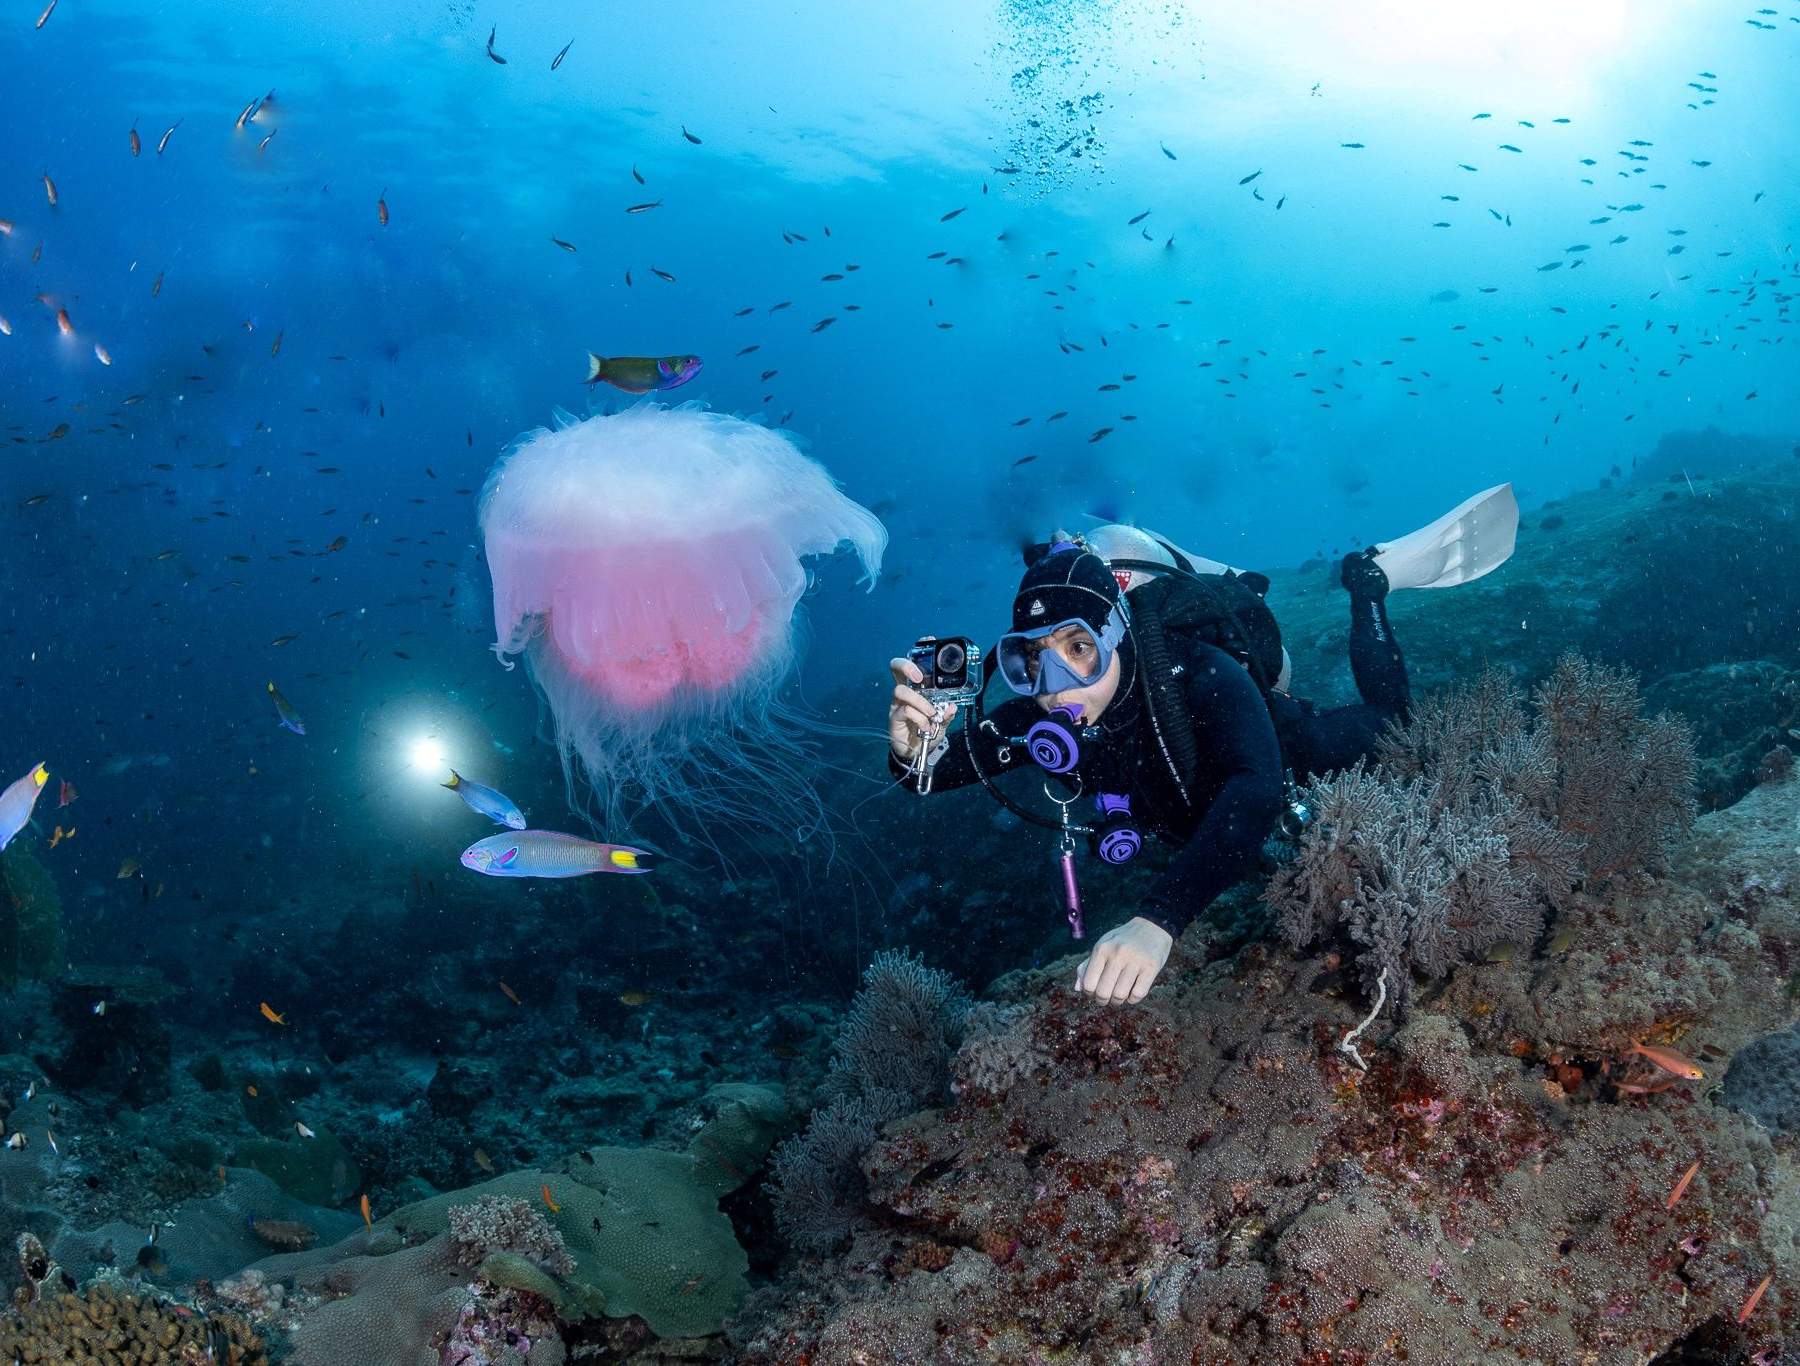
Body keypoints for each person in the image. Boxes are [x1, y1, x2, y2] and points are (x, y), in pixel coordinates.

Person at [885, 535, 1411, 1007]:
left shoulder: (1195, 669)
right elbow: (928, 776)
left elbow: (1256, 789)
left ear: (1114, 633)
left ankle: (1367, 585)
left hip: (1284, 746)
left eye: (1079, 648)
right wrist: (912, 752)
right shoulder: (1038, 714)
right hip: (1193, 823)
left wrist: (1158, 921)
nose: (1057, 685)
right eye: (1034, 659)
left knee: (1395, 723)